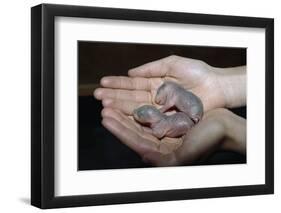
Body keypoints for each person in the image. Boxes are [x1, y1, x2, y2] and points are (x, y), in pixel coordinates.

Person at [94, 55, 246, 166]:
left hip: (191, 114)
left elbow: (158, 128)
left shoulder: (162, 119)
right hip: (190, 115)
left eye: (140, 116)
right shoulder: (169, 105)